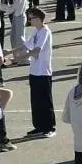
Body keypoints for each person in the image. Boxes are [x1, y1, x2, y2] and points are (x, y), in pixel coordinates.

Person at [24, 8, 56, 137]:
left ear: (38, 19)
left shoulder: (44, 31)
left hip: (43, 71)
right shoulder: (35, 31)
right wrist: (9, 52)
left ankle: (49, 127)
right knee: (36, 101)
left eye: (31, 18)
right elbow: (26, 45)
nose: (29, 21)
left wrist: (19, 58)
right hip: (34, 71)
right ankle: (39, 126)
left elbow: (37, 50)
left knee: (45, 101)